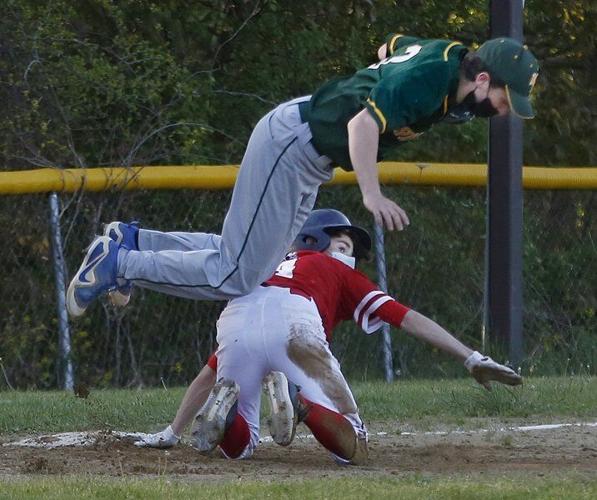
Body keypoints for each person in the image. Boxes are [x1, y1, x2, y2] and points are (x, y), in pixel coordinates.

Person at [66, 35, 540, 317]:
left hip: (306, 150)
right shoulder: (429, 81)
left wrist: (378, 73)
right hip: (295, 144)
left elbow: (390, 46)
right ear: (482, 80)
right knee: (236, 276)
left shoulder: (448, 59)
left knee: (252, 261)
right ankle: (117, 264)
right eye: (504, 98)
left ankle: (133, 241)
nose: (504, 110)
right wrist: (371, 195)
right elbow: (361, 125)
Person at [133, 209, 522, 464]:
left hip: (237, 318)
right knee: (356, 448)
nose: (347, 255)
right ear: (313, 242)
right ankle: (300, 403)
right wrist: (469, 357)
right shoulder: (333, 269)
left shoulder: (265, 265)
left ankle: (229, 411)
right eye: (343, 245)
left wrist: (173, 430)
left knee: (240, 448)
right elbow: (407, 318)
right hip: (296, 321)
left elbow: (208, 371)